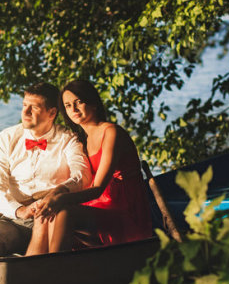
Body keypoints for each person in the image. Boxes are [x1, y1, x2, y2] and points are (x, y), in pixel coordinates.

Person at [0, 82, 92, 259]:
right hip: (14, 217)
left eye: (34, 107)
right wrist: (20, 210)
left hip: (51, 214)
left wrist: (57, 194)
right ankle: (14, 275)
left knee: (41, 226)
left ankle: (30, 272)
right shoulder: (7, 137)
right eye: (24, 105)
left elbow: (81, 176)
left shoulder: (68, 139)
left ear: (52, 113)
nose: (25, 112)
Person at [28, 79, 153, 254]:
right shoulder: (83, 139)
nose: (74, 109)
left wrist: (62, 199)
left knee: (65, 211)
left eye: (79, 102)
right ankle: (34, 264)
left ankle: (53, 267)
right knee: (49, 211)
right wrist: (57, 192)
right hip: (100, 203)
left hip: (124, 207)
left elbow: (97, 189)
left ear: (93, 103)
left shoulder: (111, 133)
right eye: (68, 105)